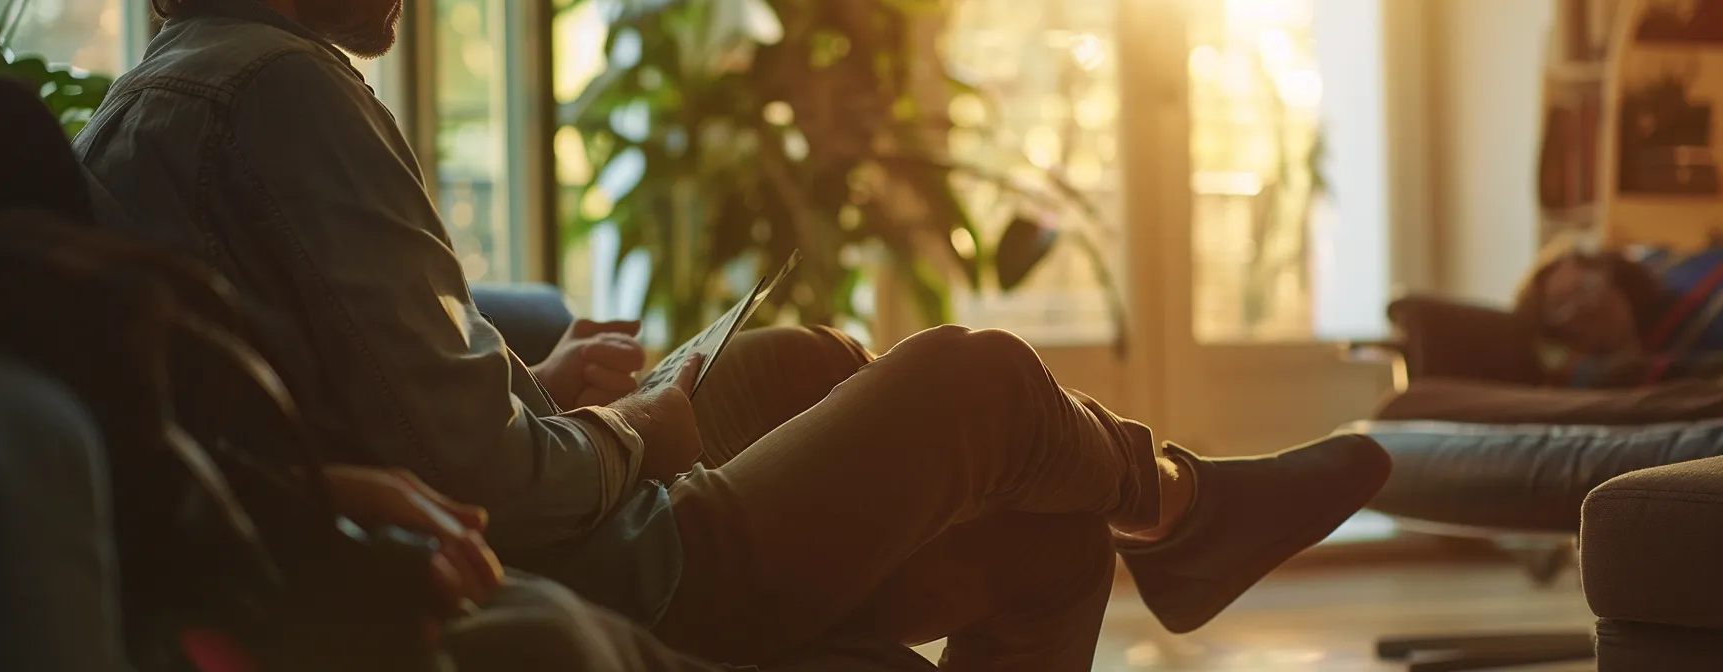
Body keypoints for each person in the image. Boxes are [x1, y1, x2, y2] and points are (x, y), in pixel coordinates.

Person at [77, 0, 1392, 668]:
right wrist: (629, 426)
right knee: (976, 386)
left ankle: (1151, 499)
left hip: (482, 513)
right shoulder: (282, 97)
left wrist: (535, 382)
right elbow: (489, 493)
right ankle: (1168, 504)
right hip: (579, 564)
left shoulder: (170, 98)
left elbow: (349, 409)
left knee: (801, 363)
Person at [1515, 235, 1723, 387]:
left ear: (1604, 271)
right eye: (1563, 305)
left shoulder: (1659, 264)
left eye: (1585, 285)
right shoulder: (1640, 373)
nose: (1589, 303)